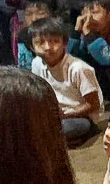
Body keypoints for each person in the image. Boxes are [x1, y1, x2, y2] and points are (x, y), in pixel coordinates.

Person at [28, 16, 103, 145]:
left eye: (54, 41)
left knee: (57, 129)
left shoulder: (78, 69)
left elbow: (93, 105)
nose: (47, 47)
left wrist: (65, 114)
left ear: (65, 43)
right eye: (40, 43)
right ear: (31, 47)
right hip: (55, 114)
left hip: (80, 116)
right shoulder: (36, 63)